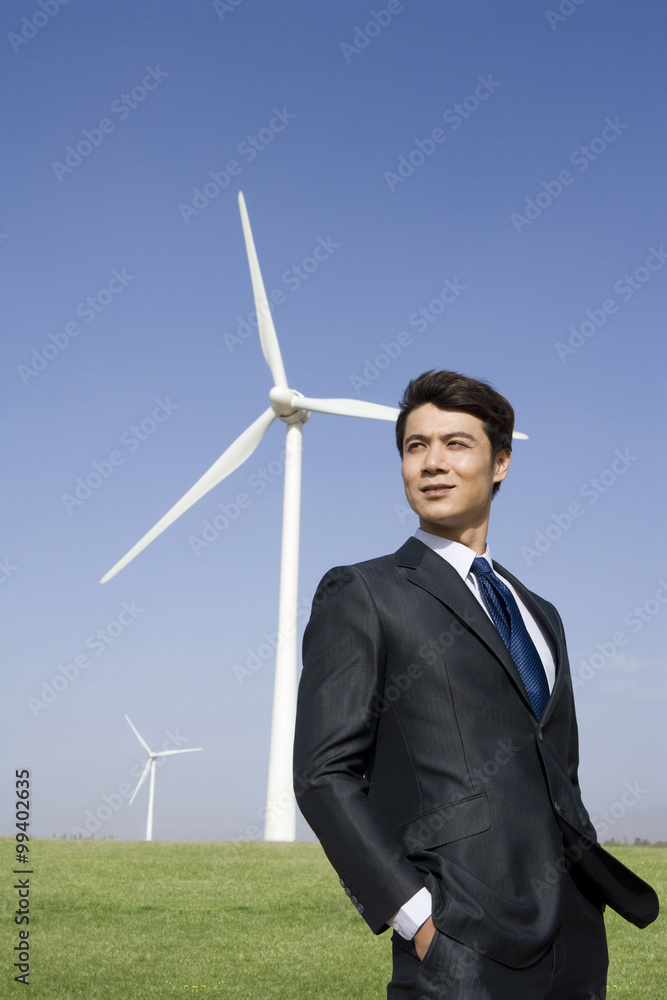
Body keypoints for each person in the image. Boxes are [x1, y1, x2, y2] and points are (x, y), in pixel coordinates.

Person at [293, 370, 658, 999]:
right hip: (458, 941)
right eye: (415, 446)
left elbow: (556, 771)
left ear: (501, 463)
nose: (432, 462)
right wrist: (416, 917)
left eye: (456, 444)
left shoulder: (541, 613)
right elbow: (323, 774)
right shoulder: (364, 593)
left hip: (575, 938)